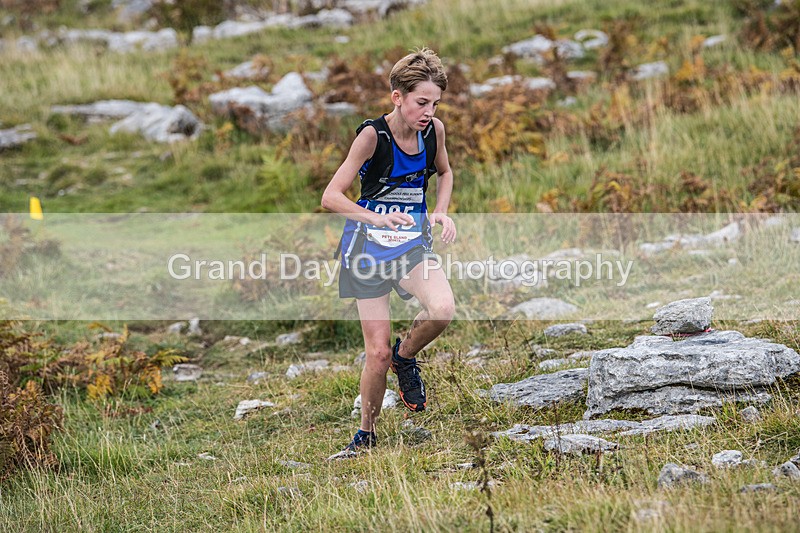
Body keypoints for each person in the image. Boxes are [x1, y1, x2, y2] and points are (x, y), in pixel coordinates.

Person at [321, 47, 456, 454]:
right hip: (367, 250)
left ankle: (406, 356)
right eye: (421, 102)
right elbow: (331, 196)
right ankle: (366, 435)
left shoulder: (435, 132)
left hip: (412, 245)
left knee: (442, 310)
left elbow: (446, 172)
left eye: (434, 103)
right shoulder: (371, 136)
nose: (428, 111)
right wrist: (374, 217)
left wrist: (442, 212)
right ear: (397, 97)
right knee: (375, 353)